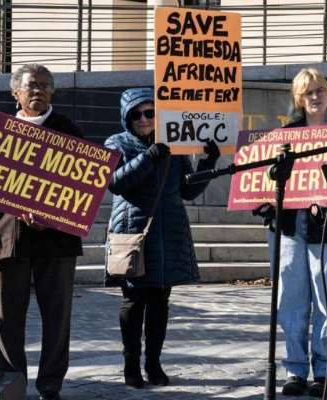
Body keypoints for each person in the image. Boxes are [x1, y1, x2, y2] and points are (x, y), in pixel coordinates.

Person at [254, 67, 327, 398]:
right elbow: (260, 182)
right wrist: (265, 204)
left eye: (320, 90)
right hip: (289, 229)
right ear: (298, 99)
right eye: (307, 92)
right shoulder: (282, 138)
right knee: (290, 302)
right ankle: (295, 370)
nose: (315, 97)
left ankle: (323, 371)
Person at [104, 87, 219, 389]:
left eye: (150, 112)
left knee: (160, 301)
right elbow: (115, 183)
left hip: (168, 232)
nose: (143, 119)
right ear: (126, 117)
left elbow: (188, 190)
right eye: (136, 114)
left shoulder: (175, 143)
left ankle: (153, 363)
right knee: (133, 300)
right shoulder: (116, 142)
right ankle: (131, 364)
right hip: (133, 232)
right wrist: (148, 157)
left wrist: (207, 164)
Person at [0, 63, 83, 400]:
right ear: (15, 92)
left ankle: (50, 385)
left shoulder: (69, 130)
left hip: (58, 240)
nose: (39, 91)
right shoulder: (2, 134)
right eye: (32, 85)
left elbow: (81, 186)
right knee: (5, 318)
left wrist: (52, 217)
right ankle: (12, 383)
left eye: (46, 86)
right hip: (8, 238)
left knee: (57, 316)